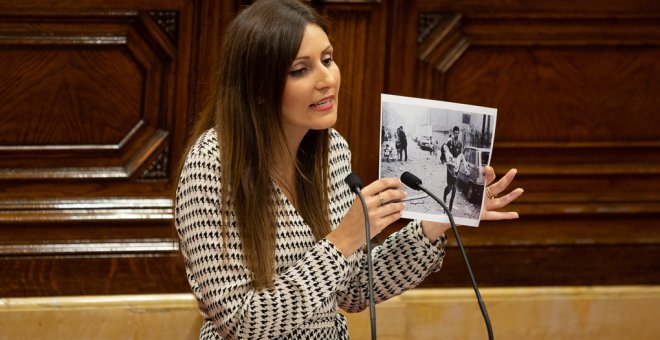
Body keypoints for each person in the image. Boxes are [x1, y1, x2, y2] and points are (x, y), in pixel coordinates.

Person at [174, 1, 524, 339]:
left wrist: (435, 222)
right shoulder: (212, 164)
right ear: (259, 88)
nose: (327, 79)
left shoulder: (333, 150)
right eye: (300, 69)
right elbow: (238, 322)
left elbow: (353, 289)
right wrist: (342, 240)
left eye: (327, 59)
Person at [441, 126, 465, 211]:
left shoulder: (460, 143)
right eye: (455, 132)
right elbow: (444, 151)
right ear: (453, 132)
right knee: (449, 188)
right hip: (450, 169)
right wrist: (443, 159)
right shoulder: (449, 142)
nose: (456, 134)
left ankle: (449, 209)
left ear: (459, 133)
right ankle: (444, 194)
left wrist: (461, 162)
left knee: (454, 190)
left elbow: (460, 155)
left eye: (458, 132)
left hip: (456, 170)